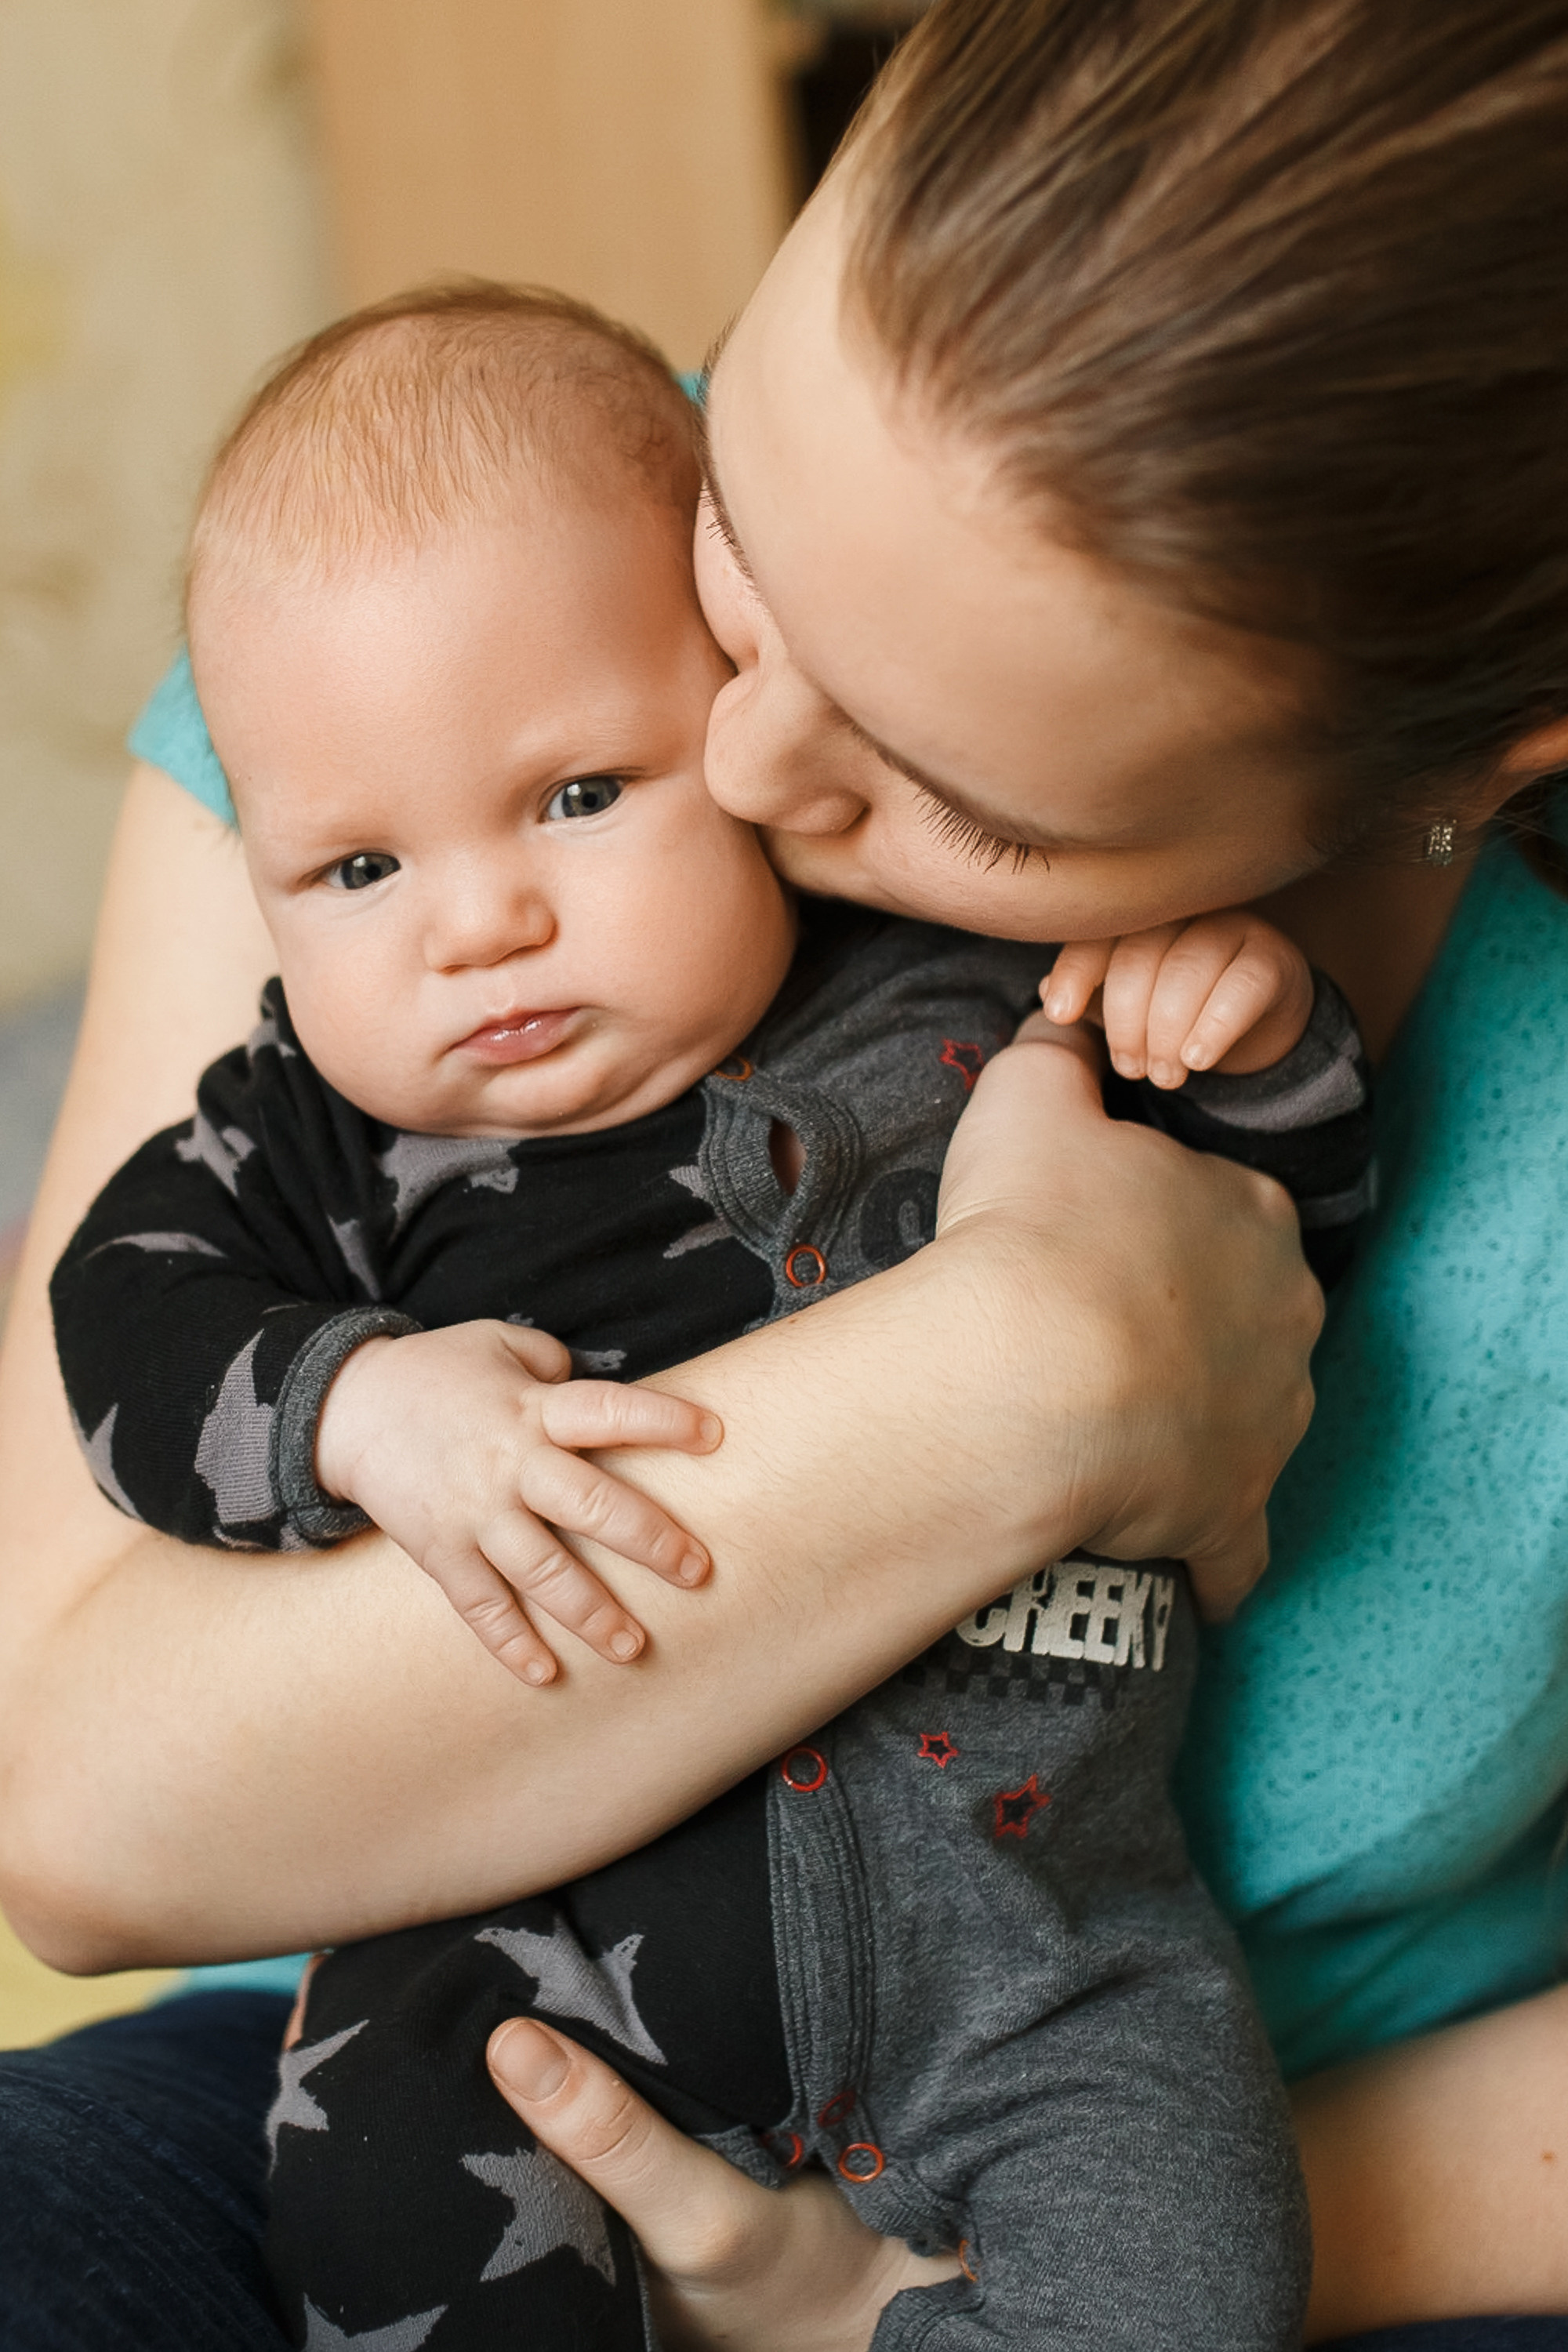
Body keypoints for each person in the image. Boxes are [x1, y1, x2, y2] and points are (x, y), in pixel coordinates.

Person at [2, 0, 1568, 2343]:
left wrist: (916, 2299)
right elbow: (84, 1816)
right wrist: (1047, 1370)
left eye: (970, 797)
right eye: (746, 536)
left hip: (1255, 2145)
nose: (728, 754)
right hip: (441, 2047)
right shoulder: (436, 624)